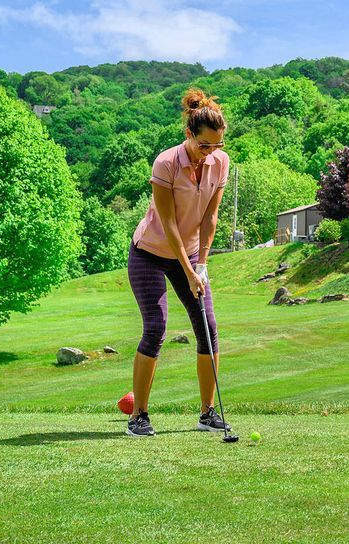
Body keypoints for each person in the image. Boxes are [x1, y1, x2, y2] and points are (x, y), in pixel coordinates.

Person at [125, 88, 231, 437]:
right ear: (189, 135)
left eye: (216, 146)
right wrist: (187, 268)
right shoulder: (166, 162)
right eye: (204, 146)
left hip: (190, 255)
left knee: (208, 328)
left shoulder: (220, 163)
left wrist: (201, 263)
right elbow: (168, 223)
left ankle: (207, 413)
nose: (209, 153)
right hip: (151, 254)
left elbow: (210, 217)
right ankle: (138, 415)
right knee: (156, 327)